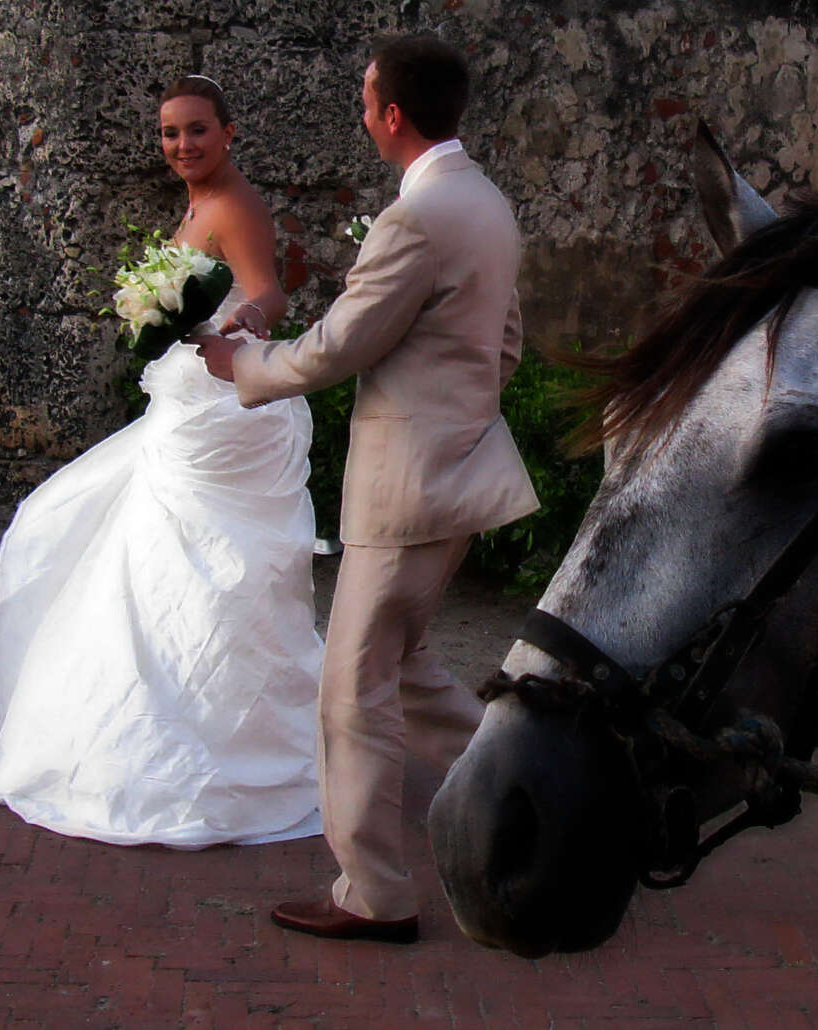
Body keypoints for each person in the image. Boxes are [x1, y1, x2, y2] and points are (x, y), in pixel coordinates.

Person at [199, 34, 539, 944]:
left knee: (352, 691)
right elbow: (504, 343)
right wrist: (459, 414)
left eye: (364, 100)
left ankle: (374, 893)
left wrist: (243, 364)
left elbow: (341, 346)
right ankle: (527, 789)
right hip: (461, 471)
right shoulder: (486, 202)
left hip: (407, 487)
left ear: (392, 114)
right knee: (405, 666)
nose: (361, 114)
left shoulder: (417, 217)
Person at [0, 75, 324, 850]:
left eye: (197, 130)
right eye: (170, 133)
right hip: (185, 413)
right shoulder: (198, 205)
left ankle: (223, 747)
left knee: (209, 573)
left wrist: (234, 326)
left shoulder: (233, 204)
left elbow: (268, 294)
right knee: (128, 556)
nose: (182, 145)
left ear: (228, 132)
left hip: (221, 422)